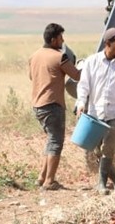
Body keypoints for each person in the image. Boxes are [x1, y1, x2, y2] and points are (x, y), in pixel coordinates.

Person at [76, 27, 115, 193]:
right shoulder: (92, 62)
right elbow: (84, 85)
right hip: (95, 113)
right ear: (107, 43)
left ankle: (101, 183)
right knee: (95, 149)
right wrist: (81, 103)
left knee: (108, 148)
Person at [29, 23, 81, 191]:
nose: (63, 40)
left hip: (37, 105)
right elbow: (76, 75)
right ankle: (50, 181)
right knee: (56, 142)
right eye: (60, 38)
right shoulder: (60, 57)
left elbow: (32, 76)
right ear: (53, 40)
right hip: (53, 104)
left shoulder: (35, 56)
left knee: (50, 140)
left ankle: (42, 177)